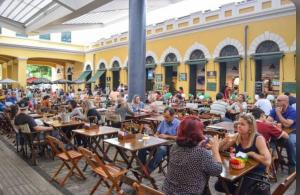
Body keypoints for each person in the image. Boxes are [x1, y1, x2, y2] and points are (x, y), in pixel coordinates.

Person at [162, 116, 222, 195]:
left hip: (167, 191)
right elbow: (217, 170)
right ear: (198, 132)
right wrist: (215, 150)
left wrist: (198, 145)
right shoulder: (201, 153)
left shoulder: (175, 146)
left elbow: (189, 156)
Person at [215, 113, 271, 194]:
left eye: (242, 124)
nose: (238, 126)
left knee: (241, 190)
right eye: (238, 123)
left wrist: (252, 154)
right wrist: (225, 140)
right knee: (219, 185)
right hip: (239, 169)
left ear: (250, 127)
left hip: (255, 171)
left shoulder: (258, 138)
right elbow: (220, 149)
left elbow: (268, 161)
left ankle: (241, 192)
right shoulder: (237, 136)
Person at [138, 107, 180, 174]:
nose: (165, 119)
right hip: (159, 141)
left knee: (161, 150)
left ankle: (147, 170)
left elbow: (179, 138)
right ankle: (141, 166)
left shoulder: (178, 124)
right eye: (164, 117)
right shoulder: (164, 121)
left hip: (170, 145)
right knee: (143, 145)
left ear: (173, 116)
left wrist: (167, 136)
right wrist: (156, 135)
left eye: (167, 117)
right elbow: (157, 132)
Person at [267, 95, 296, 173]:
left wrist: (279, 114)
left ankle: (292, 165)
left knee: (290, 142)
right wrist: (274, 123)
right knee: (268, 140)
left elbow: (287, 125)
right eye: (277, 100)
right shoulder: (274, 109)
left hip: (292, 132)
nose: (277, 102)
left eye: (279, 100)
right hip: (278, 132)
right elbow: (268, 120)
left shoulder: (292, 111)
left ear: (286, 102)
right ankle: (276, 158)